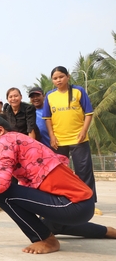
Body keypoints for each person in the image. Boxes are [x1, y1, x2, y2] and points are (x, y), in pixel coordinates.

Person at [0, 114, 116, 254]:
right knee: (49, 224)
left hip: (73, 204)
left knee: (2, 194)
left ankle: (46, 240)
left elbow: (1, 183)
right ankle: (107, 231)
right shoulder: (22, 142)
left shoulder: (6, 140)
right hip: (81, 206)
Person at [43, 66, 97, 201]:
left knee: (84, 171)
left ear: (68, 77)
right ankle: (63, 199)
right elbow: (47, 118)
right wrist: (52, 136)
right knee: (60, 172)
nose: (58, 80)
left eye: (61, 76)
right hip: (58, 141)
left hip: (79, 139)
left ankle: (89, 201)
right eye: (55, 78)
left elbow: (89, 113)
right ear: (52, 81)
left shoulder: (79, 91)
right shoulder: (50, 96)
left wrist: (84, 131)